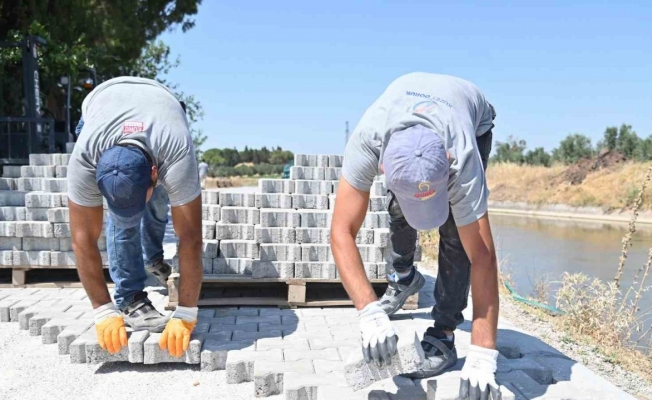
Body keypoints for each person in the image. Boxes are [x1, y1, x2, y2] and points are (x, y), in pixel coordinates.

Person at [331, 72, 502, 399]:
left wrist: (483, 353)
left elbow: (483, 256)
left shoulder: (461, 157)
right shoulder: (368, 140)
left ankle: (444, 332)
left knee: (455, 234)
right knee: (398, 208)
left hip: (472, 121)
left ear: (449, 164)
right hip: (410, 125)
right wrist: (367, 309)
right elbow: (341, 231)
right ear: (383, 169)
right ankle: (404, 276)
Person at [67, 76, 204, 358]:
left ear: (156, 172)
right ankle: (129, 298)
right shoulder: (85, 159)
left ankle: (152, 258)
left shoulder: (176, 151)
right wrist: (103, 309)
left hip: (162, 106)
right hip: (99, 106)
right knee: (123, 225)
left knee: (163, 201)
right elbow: (83, 240)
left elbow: (190, 237)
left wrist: (187, 312)